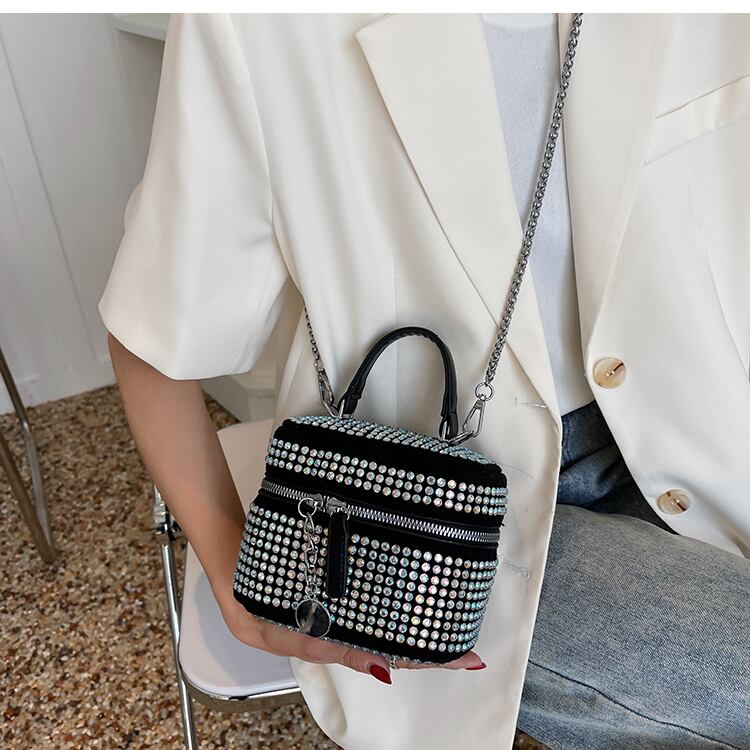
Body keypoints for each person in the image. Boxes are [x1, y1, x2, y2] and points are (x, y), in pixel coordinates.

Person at [99, 12, 750, 750]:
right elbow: (151, 331)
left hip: (702, 442)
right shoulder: (260, 24)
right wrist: (229, 567)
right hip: (420, 522)